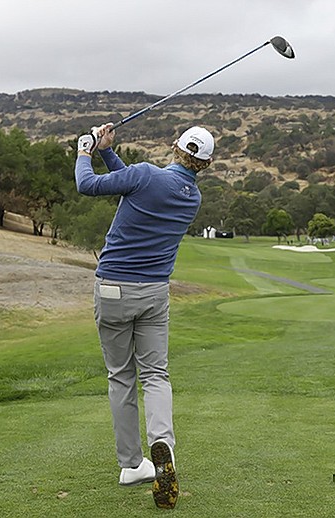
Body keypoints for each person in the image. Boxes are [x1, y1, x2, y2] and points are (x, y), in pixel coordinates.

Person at [75, 123, 214, 510]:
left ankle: (132, 464)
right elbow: (133, 185)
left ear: (174, 147)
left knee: (121, 376)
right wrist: (107, 151)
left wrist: (85, 150)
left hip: (114, 290)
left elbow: (88, 185)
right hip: (155, 293)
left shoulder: (146, 174)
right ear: (206, 163)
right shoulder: (191, 197)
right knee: (156, 374)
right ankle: (163, 445)